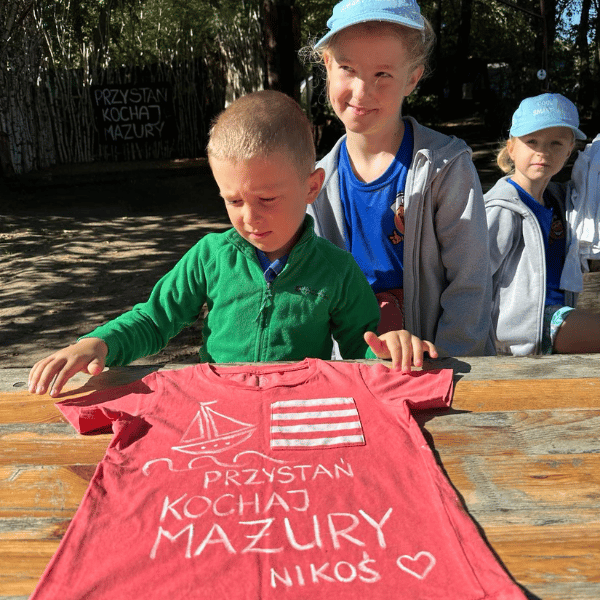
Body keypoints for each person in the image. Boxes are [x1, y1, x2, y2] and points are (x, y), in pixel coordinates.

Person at [28, 90, 437, 397]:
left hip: (296, 413)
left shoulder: (337, 270)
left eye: (267, 199)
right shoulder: (210, 257)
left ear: (312, 186)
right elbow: (155, 319)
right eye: (234, 200)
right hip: (218, 409)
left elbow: (361, 349)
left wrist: (389, 348)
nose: (249, 217)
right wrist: (98, 343)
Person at [304, 0, 495, 358]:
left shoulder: (445, 168)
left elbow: (470, 285)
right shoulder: (313, 185)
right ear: (327, 65)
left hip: (440, 369)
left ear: (412, 79)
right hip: (354, 374)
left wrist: (446, 369)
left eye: (383, 74)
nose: (362, 91)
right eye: (348, 68)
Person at [485, 92, 600, 355]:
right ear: (511, 148)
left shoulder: (563, 201)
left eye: (556, 143)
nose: (543, 152)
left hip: (558, 318)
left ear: (569, 150)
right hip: (522, 333)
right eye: (532, 141)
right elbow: (471, 280)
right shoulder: (500, 210)